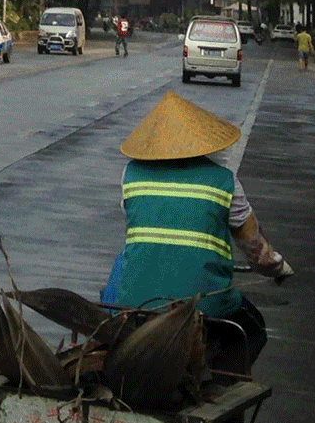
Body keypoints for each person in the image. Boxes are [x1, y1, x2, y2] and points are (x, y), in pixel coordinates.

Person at [105, 92, 293, 372]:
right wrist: (278, 268)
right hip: (205, 307)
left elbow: (136, 222)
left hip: (137, 306)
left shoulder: (130, 176)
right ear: (202, 143)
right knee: (252, 330)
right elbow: (258, 252)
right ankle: (222, 386)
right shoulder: (224, 181)